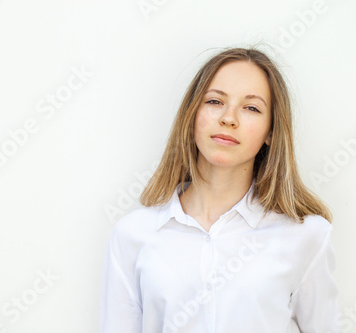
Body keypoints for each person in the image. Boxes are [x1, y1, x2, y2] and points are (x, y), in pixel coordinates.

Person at [99, 47, 340, 333]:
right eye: (215, 101)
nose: (229, 118)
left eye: (251, 107)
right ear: (192, 116)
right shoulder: (133, 235)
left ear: (271, 132)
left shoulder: (307, 236)